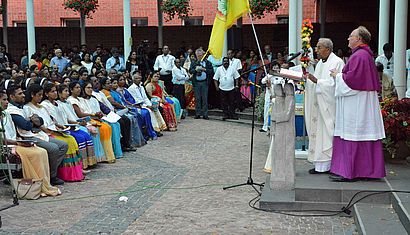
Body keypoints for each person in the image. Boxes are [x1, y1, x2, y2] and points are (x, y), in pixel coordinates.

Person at [329, 26, 386, 181]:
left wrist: (337, 75)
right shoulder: (363, 55)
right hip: (361, 102)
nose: (348, 38)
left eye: (351, 36)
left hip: (356, 104)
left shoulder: (359, 56)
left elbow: (352, 82)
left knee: (353, 134)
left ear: (359, 39)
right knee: (363, 135)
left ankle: (350, 172)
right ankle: (365, 171)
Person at [0, 91, 61, 197]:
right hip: (7, 146)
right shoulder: (10, 112)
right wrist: (17, 142)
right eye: (4, 100)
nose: (7, 102)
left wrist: (20, 140)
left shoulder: (6, 114)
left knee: (42, 151)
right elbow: (3, 139)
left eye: (6, 99)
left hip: (16, 142)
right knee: (36, 154)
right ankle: (34, 184)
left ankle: (43, 183)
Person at [23, 84, 83, 182]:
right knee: (55, 148)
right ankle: (52, 175)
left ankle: (52, 170)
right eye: (39, 95)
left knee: (65, 144)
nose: (41, 97)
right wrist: (46, 130)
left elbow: (51, 119)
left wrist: (58, 125)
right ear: (32, 95)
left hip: (50, 130)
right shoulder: (27, 108)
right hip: (39, 133)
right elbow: (35, 124)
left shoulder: (42, 106)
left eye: (42, 95)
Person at [304, 38, 345, 174]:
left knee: (327, 135)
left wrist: (317, 81)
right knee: (318, 134)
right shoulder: (321, 63)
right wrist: (308, 80)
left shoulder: (337, 62)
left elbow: (337, 84)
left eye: (319, 47)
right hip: (318, 105)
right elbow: (316, 82)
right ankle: (319, 164)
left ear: (327, 49)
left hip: (328, 106)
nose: (316, 50)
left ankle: (330, 164)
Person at [42, 83, 98, 171]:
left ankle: (88, 163)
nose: (55, 93)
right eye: (52, 92)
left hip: (67, 127)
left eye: (55, 91)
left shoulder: (57, 103)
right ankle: (78, 167)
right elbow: (52, 121)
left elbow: (66, 118)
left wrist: (77, 123)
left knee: (86, 136)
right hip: (57, 129)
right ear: (46, 94)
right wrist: (61, 126)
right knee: (78, 138)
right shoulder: (45, 105)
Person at [68, 81, 116, 163]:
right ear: (71, 90)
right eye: (76, 88)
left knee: (109, 127)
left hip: (88, 118)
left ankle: (106, 155)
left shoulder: (80, 99)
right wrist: (94, 115)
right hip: (82, 120)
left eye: (79, 87)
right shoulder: (71, 100)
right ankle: (98, 156)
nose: (79, 89)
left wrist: (96, 115)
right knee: (99, 128)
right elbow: (80, 114)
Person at [189, 48, 213, 119]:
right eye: (198, 55)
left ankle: (205, 114)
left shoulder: (207, 62)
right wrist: (195, 70)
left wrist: (204, 69)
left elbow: (211, 71)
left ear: (204, 55)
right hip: (196, 83)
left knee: (205, 99)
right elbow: (190, 70)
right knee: (197, 99)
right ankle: (198, 113)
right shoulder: (194, 62)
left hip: (205, 82)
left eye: (201, 55)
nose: (199, 57)